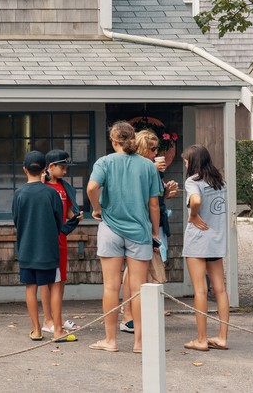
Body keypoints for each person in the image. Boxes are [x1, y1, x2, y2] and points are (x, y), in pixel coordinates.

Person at [86, 121, 161, 353]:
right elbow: (154, 204)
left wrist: (96, 208)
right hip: (139, 231)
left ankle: (110, 340)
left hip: (110, 228)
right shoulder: (148, 166)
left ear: (113, 140)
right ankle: (139, 343)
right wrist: (155, 232)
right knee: (138, 289)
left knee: (111, 287)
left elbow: (91, 187)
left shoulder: (105, 162)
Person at [120, 129, 180, 333]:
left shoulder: (153, 170)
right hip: (141, 224)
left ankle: (142, 312)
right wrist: (154, 232)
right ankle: (129, 315)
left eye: (157, 149)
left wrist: (167, 193)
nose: (156, 153)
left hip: (152, 223)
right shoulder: (140, 168)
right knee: (133, 270)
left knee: (143, 270)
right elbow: (145, 200)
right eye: (153, 149)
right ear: (143, 149)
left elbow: (156, 199)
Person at [13, 151, 67, 342]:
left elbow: (16, 220)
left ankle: (36, 330)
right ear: (45, 169)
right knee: (53, 286)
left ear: (24, 169)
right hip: (48, 249)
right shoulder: (51, 193)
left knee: (31, 287)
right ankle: (57, 330)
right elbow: (59, 220)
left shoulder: (19, 194)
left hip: (27, 248)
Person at [181, 144, 230, 351]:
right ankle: (221, 337)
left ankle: (201, 339)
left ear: (193, 162)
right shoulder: (220, 181)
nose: (184, 164)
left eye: (186, 161)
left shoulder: (193, 181)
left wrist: (193, 215)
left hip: (198, 241)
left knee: (200, 290)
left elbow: (196, 199)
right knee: (220, 289)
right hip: (217, 241)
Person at [39, 149, 82, 339]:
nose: (65, 171)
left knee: (60, 280)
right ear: (50, 167)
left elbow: (67, 211)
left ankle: (57, 318)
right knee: (47, 280)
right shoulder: (42, 186)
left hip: (62, 237)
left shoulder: (64, 187)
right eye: (62, 167)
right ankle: (48, 320)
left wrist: (75, 217)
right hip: (47, 238)